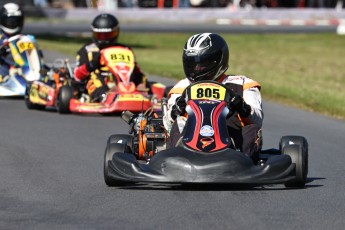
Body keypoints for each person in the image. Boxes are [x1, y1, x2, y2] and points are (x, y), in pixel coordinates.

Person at [163, 33, 263, 162]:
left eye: (202, 64)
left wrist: (242, 107)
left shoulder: (243, 84)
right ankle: (175, 160)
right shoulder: (182, 87)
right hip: (190, 140)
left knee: (252, 129)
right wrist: (176, 109)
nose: (196, 68)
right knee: (179, 122)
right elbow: (168, 124)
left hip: (230, 142)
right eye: (192, 64)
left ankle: (243, 163)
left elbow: (257, 119)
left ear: (218, 61)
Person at [73, 13, 147, 102]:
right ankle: (104, 96)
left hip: (122, 81)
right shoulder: (87, 50)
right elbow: (77, 75)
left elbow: (136, 70)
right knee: (94, 76)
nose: (104, 39)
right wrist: (91, 65)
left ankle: (144, 94)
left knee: (142, 77)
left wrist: (140, 81)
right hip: (99, 82)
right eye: (100, 35)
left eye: (108, 35)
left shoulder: (125, 49)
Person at [0, 2, 24, 83]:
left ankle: (53, 76)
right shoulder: (1, 38)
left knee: (42, 71)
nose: (12, 23)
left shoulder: (23, 38)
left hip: (23, 69)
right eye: (10, 21)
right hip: (5, 69)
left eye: (15, 20)